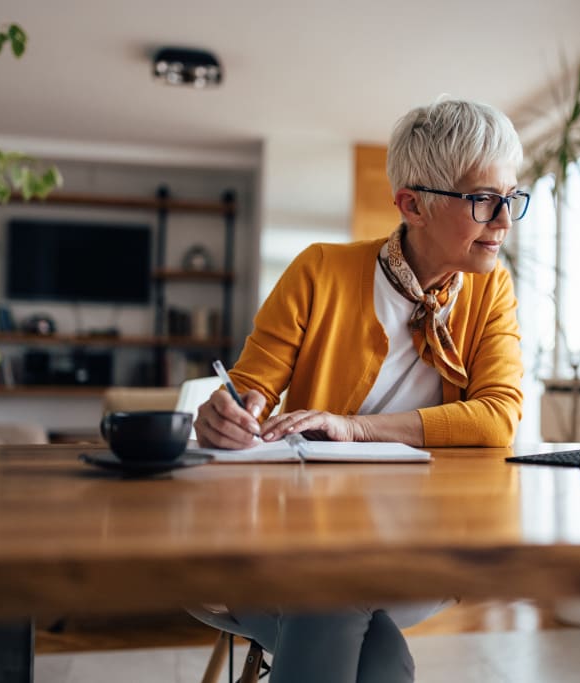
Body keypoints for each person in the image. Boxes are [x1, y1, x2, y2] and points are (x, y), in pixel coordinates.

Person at [193, 98, 528, 683]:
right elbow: (247, 391)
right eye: (483, 200)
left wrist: (357, 427)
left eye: (511, 198)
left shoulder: (490, 289)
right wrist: (225, 414)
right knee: (371, 644)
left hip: (420, 547)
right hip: (292, 540)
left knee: (337, 597)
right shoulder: (319, 271)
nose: (503, 219)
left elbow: (498, 417)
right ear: (411, 204)